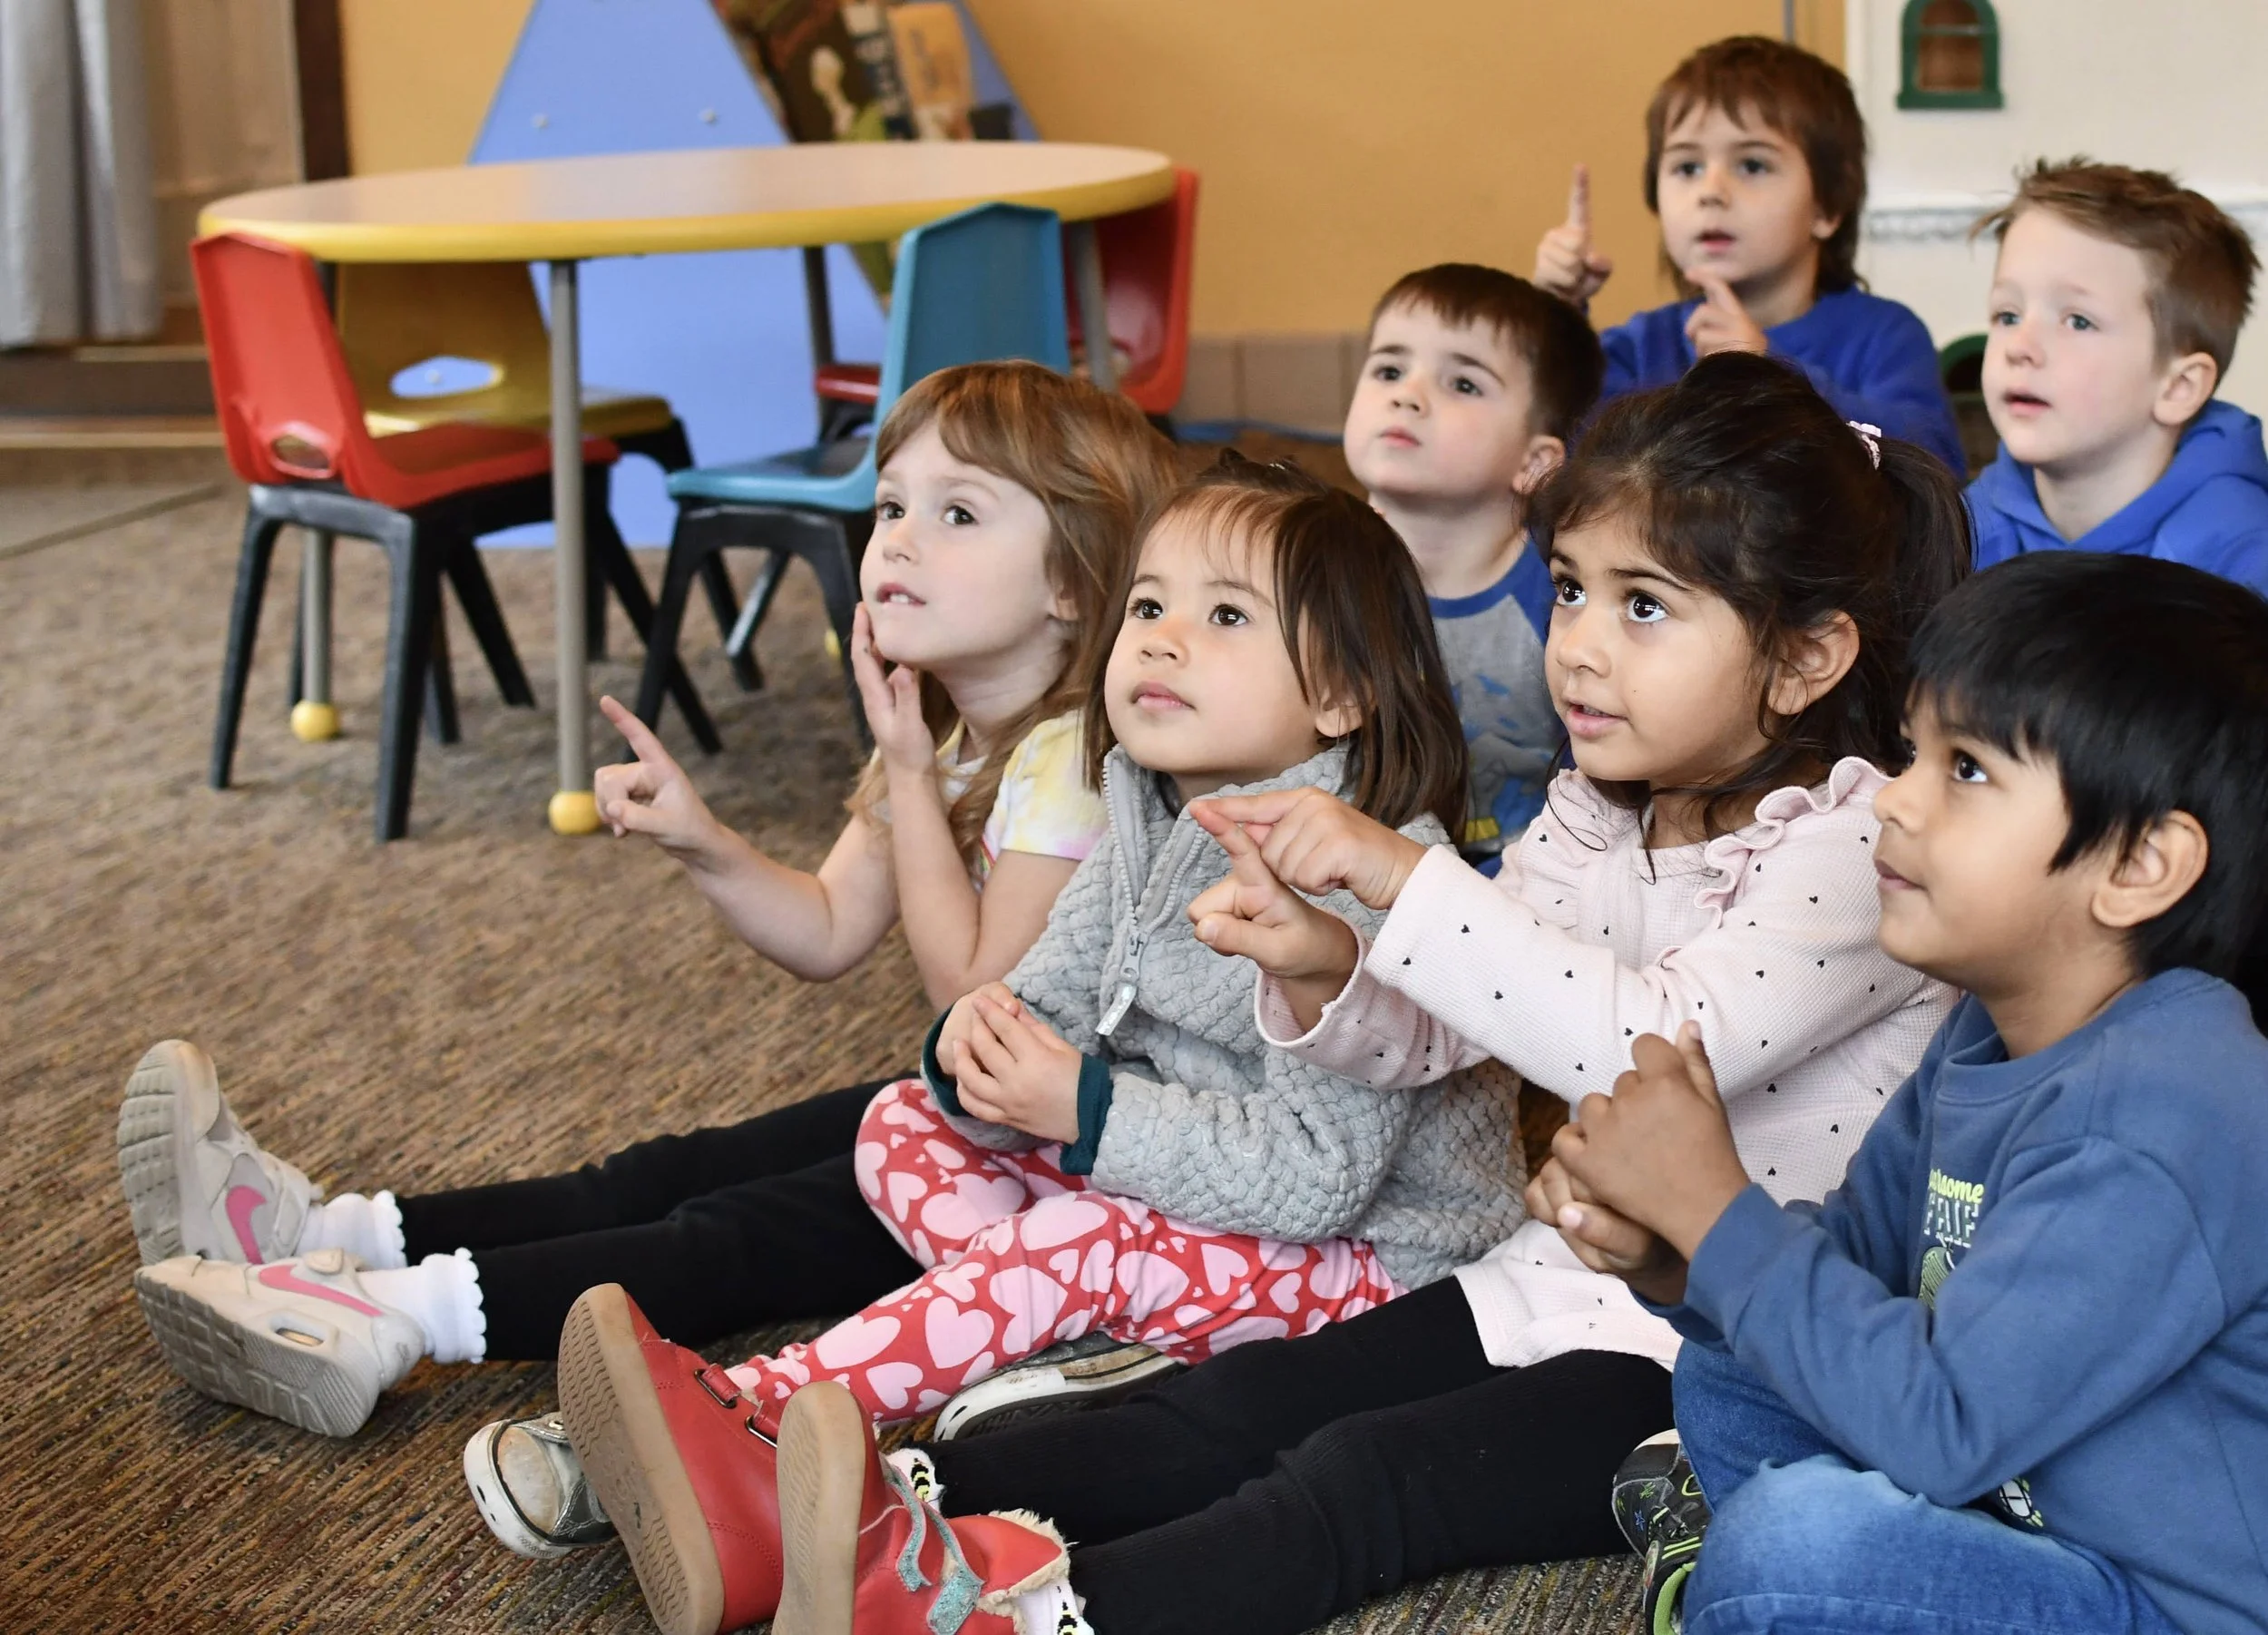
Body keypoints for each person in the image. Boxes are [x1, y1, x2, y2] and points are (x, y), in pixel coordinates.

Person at [759, 353, 1970, 1635]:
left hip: (1721, 1359)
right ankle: (858, 1517)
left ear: (1805, 659)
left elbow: (1653, 1045)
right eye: (1569, 590)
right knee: (1246, 1405)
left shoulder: (1857, 849)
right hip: (1550, 1272)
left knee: (1358, 1485)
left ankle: (1027, 1615)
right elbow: (1459, 1033)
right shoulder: (1592, 816)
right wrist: (1322, 962)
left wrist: (1406, 878)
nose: (1581, 647)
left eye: (1646, 607)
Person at [115, 362, 1178, 1461]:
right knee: (677, 1168)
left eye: (957, 513)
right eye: (892, 504)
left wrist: (909, 775)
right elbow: (823, 928)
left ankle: (387, 1318)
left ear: (1073, 579)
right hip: (979, 1118)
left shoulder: (1072, 761)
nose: (900, 539)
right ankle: (328, 1233)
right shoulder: (948, 729)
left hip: (1069, 1173)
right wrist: (705, 842)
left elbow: (978, 1002)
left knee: (725, 1236)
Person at [554, 456, 1525, 1635]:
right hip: (1198, 1185)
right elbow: (1049, 1000)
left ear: (1342, 695)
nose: (1162, 639)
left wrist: (1087, 1114)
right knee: (898, 1126)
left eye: (1224, 615)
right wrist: (981, 1048)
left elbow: (1314, 1178)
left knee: (1081, 1234)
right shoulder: (1144, 807)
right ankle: (1090, 1342)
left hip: (1372, 1261)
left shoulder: (1364, 872)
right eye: (1150, 606)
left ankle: (756, 1420)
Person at [1548, 550, 2268, 1635]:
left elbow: (1944, 1423)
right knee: (1730, 1364)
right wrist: (1678, 1254)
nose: (1895, 798)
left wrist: (1717, 1211)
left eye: (1966, 769)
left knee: (1794, 1547)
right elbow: (1848, 1268)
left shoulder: (2170, 1107)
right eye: (1911, 752)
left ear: (2138, 865)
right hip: (2022, 1515)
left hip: (2154, 1602)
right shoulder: (1991, 1026)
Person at [1533, 34, 1966, 475]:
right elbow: (1547, 451)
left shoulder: (1885, 337)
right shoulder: (1641, 348)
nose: (1711, 192)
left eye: (1752, 166)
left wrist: (1771, 369)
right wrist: (1557, 315)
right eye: (1687, 168)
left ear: (1828, 206)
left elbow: (1935, 466)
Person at [1343, 262, 1604, 863]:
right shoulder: (1309, 570)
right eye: (1388, 368)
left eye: (1462, 384)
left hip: (1528, 882)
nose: (1406, 394)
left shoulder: (1561, 603)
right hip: (1350, 866)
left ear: (1535, 464)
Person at [1966, 159, 2268, 593]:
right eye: (2007, 315)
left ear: (2179, 387)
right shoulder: (1964, 528)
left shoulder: (2241, 557)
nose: (2020, 347)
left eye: (2078, 321)